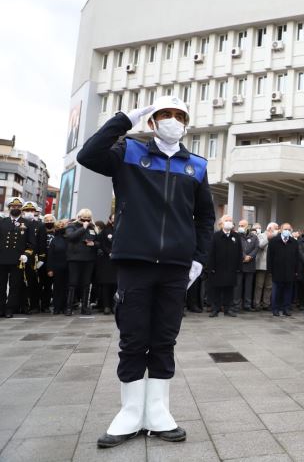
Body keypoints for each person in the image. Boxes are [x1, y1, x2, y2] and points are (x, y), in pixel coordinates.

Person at [77, 95, 215, 448]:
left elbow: (205, 218)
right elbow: (88, 154)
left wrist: (198, 258)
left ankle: (158, 412)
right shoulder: (129, 152)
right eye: (164, 115)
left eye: (178, 116)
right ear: (152, 122)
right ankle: (129, 413)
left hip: (175, 268)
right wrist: (125, 118)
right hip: (136, 263)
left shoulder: (196, 165)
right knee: (133, 338)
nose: (172, 121)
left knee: (165, 339)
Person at [0, 197, 34, 318]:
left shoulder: (28, 223)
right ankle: (1, 308)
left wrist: (26, 254)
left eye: (18, 207)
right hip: (2, 258)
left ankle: (10, 309)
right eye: (13, 207)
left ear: (21, 208)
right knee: (1, 285)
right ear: (9, 208)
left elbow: (31, 243)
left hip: (18, 260)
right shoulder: (2, 222)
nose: (16, 208)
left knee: (14, 286)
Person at [64, 209, 99, 316]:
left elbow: (98, 241)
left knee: (86, 284)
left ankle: (84, 307)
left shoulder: (93, 227)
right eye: (84, 218)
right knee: (72, 283)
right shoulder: (71, 226)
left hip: (89, 260)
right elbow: (71, 237)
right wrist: (83, 228)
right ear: (79, 217)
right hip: (75, 259)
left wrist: (94, 244)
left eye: (88, 218)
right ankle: (69, 307)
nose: (86, 220)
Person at [207, 216, 243, 317]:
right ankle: (215, 309)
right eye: (226, 220)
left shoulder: (236, 236)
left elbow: (240, 252)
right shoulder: (215, 236)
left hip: (231, 268)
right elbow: (211, 252)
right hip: (218, 268)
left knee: (229, 289)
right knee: (216, 289)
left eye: (230, 220)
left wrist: (239, 267)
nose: (228, 222)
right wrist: (211, 267)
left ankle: (228, 309)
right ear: (221, 223)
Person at [267, 223, 302, 316]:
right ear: (281, 230)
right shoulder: (274, 241)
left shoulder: (294, 242)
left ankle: (286, 308)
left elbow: (297, 257)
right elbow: (269, 257)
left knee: (288, 291)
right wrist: (270, 270)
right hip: (277, 271)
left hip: (290, 271)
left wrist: (296, 270)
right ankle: (275, 308)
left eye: (289, 229)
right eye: (285, 229)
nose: (287, 231)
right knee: (276, 291)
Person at [20, 201, 47, 314]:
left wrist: (41, 258)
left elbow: (42, 243)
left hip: (33, 258)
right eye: (27, 210)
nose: (29, 212)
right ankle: (21, 304)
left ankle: (34, 305)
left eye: (31, 210)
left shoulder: (40, 225)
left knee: (33, 282)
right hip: (19, 257)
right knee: (19, 282)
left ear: (35, 212)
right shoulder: (19, 223)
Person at [94, 217, 117, 315]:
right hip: (107, 261)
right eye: (113, 218)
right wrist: (109, 252)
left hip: (118, 261)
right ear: (110, 220)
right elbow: (102, 244)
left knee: (116, 284)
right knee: (106, 284)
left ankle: (114, 305)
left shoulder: (122, 229)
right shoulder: (105, 231)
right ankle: (106, 306)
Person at [253, 222, 278, 311]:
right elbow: (260, 245)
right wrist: (268, 238)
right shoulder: (261, 235)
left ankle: (266, 303)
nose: (277, 229)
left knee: (269, 286)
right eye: (275, 228)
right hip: (262, 264)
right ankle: (257, 303)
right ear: (270, 228)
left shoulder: (276, 237)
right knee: (259, 285)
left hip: (271, 265)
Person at [47, 219, 69, 315]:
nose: (61, 228)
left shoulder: (69, 239)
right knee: (57, 288)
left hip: (68, 267)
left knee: (66, 288)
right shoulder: (54, 240)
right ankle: (57, 307)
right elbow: (50, 256)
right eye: (59, 227)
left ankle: (64, 307)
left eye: (62, 226)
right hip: (57, 267)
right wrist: (50, 269)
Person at [236, 219, 259, 312]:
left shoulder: (254, 237)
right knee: (238, 286)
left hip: (250, 264)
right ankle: (237, 304)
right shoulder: (237, 236)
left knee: (248, 286)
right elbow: (236, 247)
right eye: (239, 225)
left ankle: (247, 304)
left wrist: (250, 256)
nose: (240, 227)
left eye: (242, 225)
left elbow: (256, 248)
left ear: (247, 227)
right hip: (240, 264)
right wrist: (244, 256)